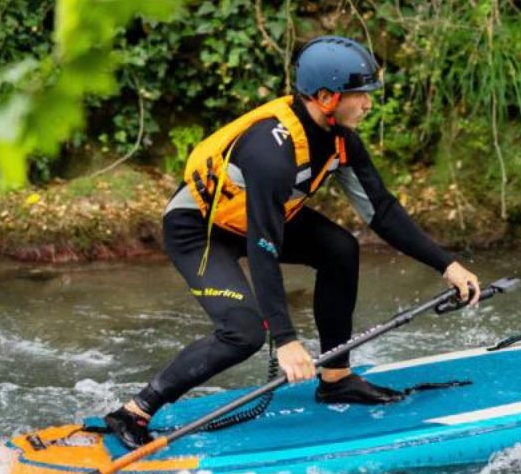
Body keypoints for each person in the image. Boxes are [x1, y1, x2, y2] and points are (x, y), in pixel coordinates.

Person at [105, 35, 480, 449]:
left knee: (340, 249)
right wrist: (284, 340)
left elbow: (383, 212)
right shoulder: (272, 151)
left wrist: (446, 265)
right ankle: (134, 411)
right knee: (244, 332)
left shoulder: (340, 141)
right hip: (200, 229)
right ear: (324, 96)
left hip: (255, 223)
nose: (368, 104)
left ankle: (336, 379)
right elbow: (263, 247)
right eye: (360, 95)